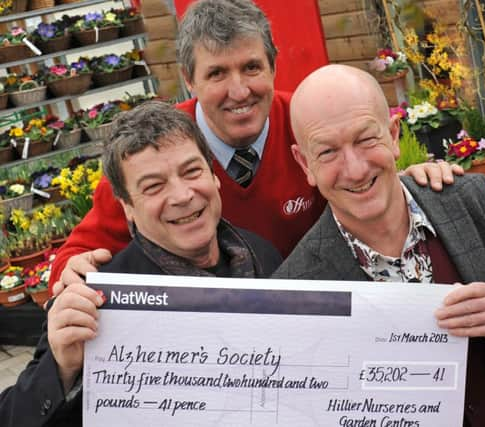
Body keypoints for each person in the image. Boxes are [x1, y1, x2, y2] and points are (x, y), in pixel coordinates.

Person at [48, 0, 463, 289]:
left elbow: (366, 176)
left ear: (273, 65)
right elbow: (76, 256)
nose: (239, 90)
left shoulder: (309, 126)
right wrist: (72, 272)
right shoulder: (159, 154)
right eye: (216, 74)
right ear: (189, 80)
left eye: (251, 67)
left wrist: (413, 183)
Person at [272, 64, 485, 427]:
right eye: (328, 152)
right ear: (305, 164)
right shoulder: (299, 284)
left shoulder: (470, 199)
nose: (354, 169)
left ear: (393, 135)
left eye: (366, 139)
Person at [0, 102, 283, 427]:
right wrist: (64, 371)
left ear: (214, 176)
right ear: (127, 207)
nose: (181, 195)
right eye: (153, 186)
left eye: (192, 171)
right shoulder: (97, 300)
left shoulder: (264, 255)